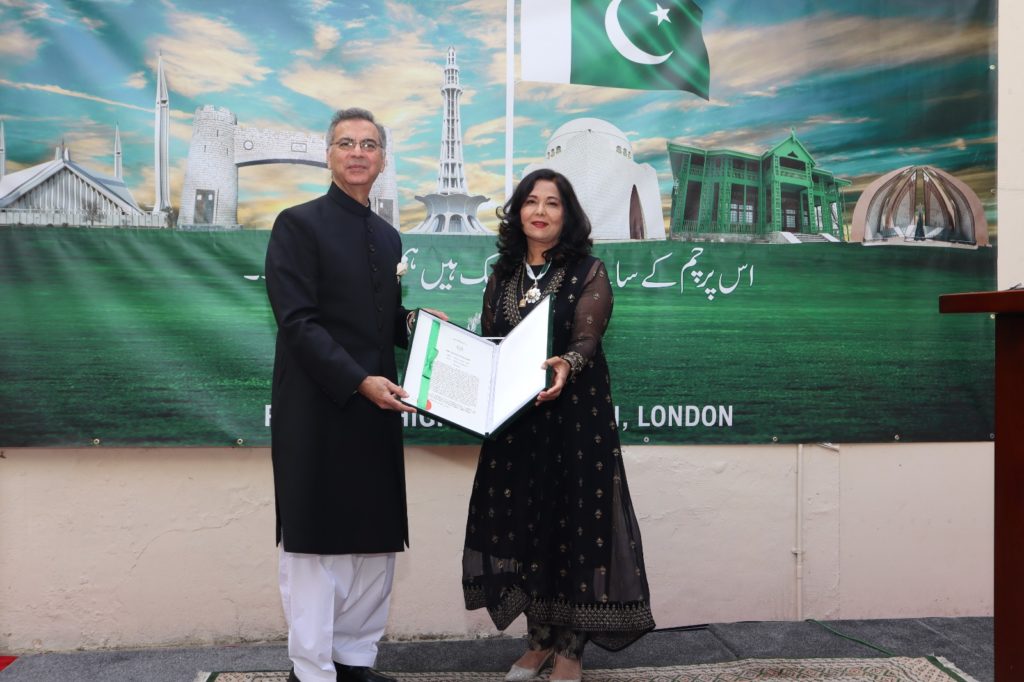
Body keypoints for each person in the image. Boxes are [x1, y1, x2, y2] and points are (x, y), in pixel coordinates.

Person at [266, 107, 442, 682]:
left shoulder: (387, 235)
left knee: (372, 541)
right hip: (319, 409)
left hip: (376, 407)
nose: (358, 152)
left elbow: (376, 320)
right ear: (330, 154)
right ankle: (312, 670)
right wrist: (357, 380)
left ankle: (355, 659)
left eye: (369, 144)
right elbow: (299, 323)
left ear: (383, 159)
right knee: (318, 548)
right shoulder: (298, 224)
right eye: (347, 143)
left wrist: (417, 326)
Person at [462, 169, 655, 682]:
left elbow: (589, 336)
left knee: (577, 530)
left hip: (574, 423)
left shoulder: (587, 270)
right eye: (531, 201)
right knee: (526, 528)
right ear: (517, 212)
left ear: (566, 214)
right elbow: (491, 344)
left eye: (552, 202)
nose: (540, 211)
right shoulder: (502, 274)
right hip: (517, 429)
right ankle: (538, 640)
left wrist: (566, 363)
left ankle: (571, 648)